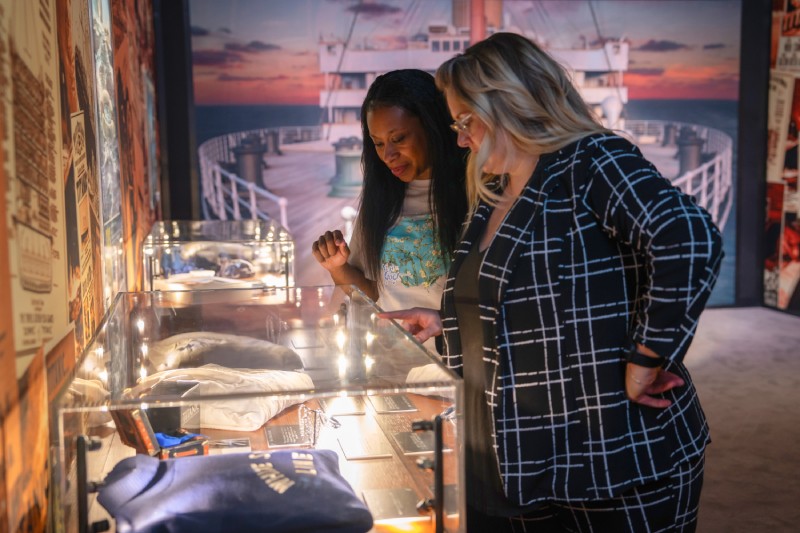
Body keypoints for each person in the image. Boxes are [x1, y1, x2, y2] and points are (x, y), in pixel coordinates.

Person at [381, 33, 724, 532]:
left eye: (465, 122)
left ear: (507, 105)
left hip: (610, 455)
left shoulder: (591, 159)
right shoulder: (495, 188)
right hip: (523, 461)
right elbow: (528, 299)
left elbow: (687, 239)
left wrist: (649, 357)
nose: (460, 140)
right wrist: (448, 320)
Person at [311, 69, 468, 348]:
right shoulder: (381, 200)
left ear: (432, 126)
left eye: (398, 139)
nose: (388, 155)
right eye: (379, 143)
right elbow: (371, 293)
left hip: (453, 362)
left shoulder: (473, 195)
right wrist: (337, 267)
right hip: (394, 362)